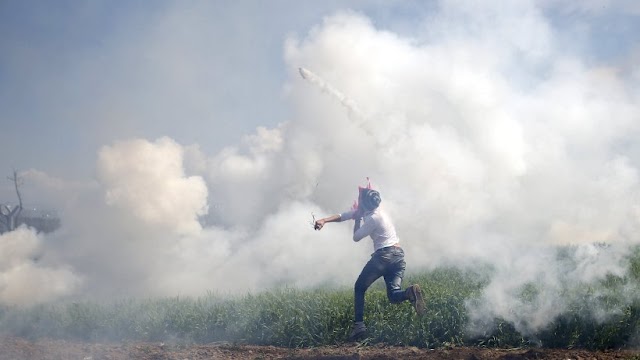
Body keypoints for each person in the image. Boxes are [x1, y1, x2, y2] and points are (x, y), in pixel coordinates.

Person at [314, 186, 425, 341]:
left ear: (365, 204)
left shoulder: (373, 218)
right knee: (393, 295)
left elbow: (356, 237)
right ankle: (410, 292)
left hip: (383, 257)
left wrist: (358, 219)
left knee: (359, 287)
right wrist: (324, 220)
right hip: (398, 256)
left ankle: (359, 327)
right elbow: (345, 215)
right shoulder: (378, 211)